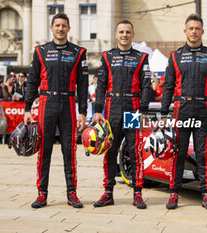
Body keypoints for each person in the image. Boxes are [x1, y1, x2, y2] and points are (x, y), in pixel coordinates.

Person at [24, 13, 88, 209]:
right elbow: (32, 81)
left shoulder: (78, 52)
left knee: (69, 150)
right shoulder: (40, 51)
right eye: (57, 25)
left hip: (68, 102)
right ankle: (42, 194)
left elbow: (83, 85)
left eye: (64, 26)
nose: (60, 29)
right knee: (44, 150)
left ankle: (72, 193)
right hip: (46, 103)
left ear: (69, 29)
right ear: (51, 28)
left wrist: (83, 112)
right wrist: (27, 108)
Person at [161, 13, 207, 210]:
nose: (194, 32)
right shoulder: (175, 56)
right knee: (178, 152)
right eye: (191, 28)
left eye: (197, 29)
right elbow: (168, 86)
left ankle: (205, 193)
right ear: (185, 31)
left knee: (202, 153)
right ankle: (174, 193)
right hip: (181, 110)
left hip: (203, 109)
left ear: (202, 32)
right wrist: (163, 114)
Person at [93, 19, 150, 209]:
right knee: (109, 150)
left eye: (128, 32)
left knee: (134, 151)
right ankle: (108, 193)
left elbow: (146, 86)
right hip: (111, 107)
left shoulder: (141, 57)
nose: (124, 35)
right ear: (116, 35)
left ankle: (138, 193)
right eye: (121, 32)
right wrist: (97, 111)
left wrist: (142, 110)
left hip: (133, 107)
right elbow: (100, 85)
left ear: (132, 35)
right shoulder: (107, 56)